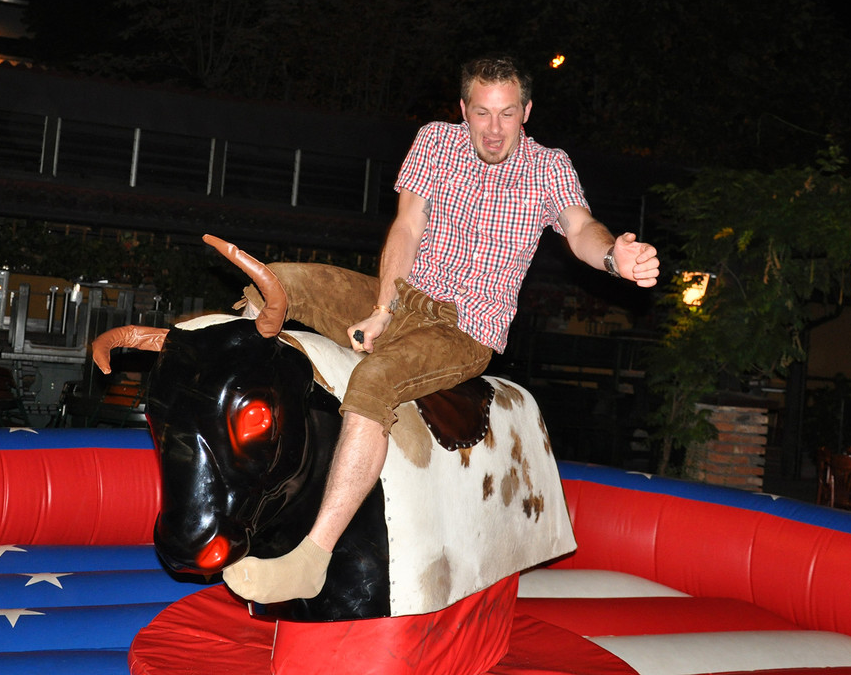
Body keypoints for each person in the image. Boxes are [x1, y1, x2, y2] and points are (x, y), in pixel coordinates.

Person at [221, 54, 660, 604]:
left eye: (506, 115)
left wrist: (615, 258)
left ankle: (311, 557)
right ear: (463, 109)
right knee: (276, 283)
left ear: (526, 111)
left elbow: (580, 230)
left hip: (464, 327)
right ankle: (236, 462)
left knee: (374, 380)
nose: (494, 130)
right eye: (481, 113)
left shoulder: (550, 167)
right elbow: (406, 226)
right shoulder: (434, 141)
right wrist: (383, 307)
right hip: (403, 296)